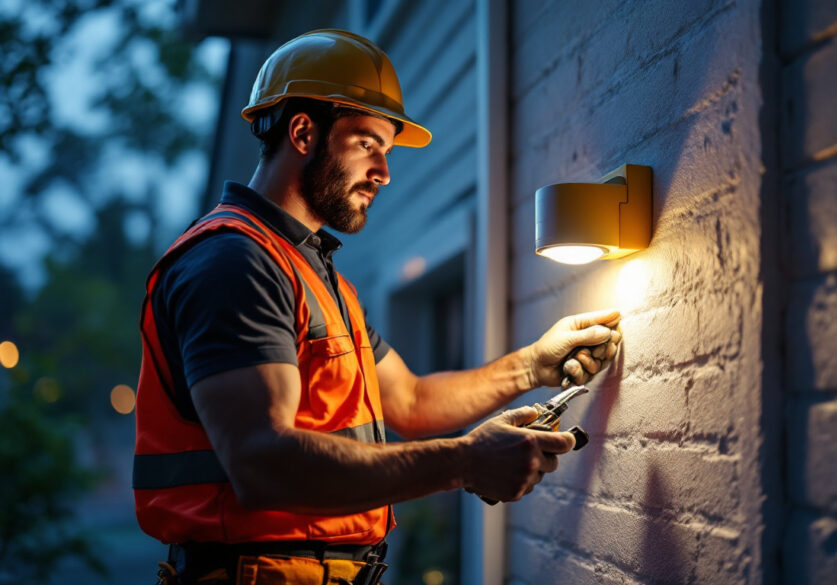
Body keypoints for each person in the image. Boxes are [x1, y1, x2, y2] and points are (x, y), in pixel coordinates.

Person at [133, 29, 621, 585]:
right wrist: (465, 462)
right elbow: (261, 463)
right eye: (368, 143)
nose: (385, 172)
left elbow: (409, 401)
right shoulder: (233, 262)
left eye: (387, 150)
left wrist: (532, 365)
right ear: (302, 132)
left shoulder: (314, 274)